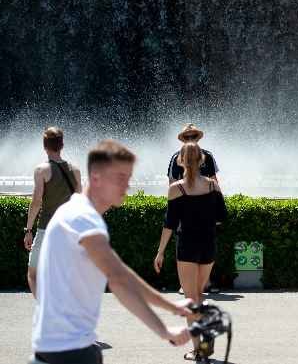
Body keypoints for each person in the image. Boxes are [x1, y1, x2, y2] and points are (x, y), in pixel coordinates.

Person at [31, 140, 191, 364]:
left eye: (128, 178)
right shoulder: (83, 219)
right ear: (96, 177)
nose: (127, 186)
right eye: (121, 178)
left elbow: (119, 274)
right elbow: (119, 279)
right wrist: (167, 326)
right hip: (70, 353)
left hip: (57, 349)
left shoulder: (74, 211)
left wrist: (171, 309)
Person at [154, 142, 227, 362]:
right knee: (199, 295)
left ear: (181, 160)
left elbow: (169, 223)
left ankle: (199, 349)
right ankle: (205, 336)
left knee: (189, 299)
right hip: (208, 245)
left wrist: (160, 252)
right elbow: (222, 216)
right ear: (203, 160)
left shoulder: (176, 188)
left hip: (187, 245)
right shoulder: (213, 186)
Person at [23, 127, 82, 298]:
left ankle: (45, 309)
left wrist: (28, 230)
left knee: (33, 274)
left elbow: (36, 202)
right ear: (62, 145)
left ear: (44, 146)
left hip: (46, 230)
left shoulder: (41, 170)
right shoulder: (76, 170)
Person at [167, 123, 221, 294]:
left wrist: (218, 205)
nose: (191, 139)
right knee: (186, 246)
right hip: (186, 209)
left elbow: (215, 181)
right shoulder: (175, 157)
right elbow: (171, 183)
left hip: (205, 207)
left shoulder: (208, 157)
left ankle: (207, 282)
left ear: (197, 138)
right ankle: (185, 284)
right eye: (188, 137)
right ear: (183, 139)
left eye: (193, 136)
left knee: (206, 247)